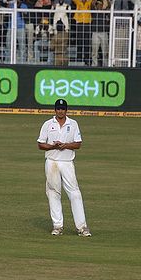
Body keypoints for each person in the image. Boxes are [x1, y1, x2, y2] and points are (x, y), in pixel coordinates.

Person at [37, 99, 91, 237]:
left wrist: (65, 145)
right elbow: (41, 145)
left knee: (75, 192)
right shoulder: (48, 124)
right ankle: (57, 226)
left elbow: (78, 144)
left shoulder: (73, 124)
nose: (60, 111)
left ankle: (82, 227)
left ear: (66, 110)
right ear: (55, 110)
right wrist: (53, 146)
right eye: (58, 109)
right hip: (52, 161)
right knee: (53, 192)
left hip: (67, 162)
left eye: (63, 109)